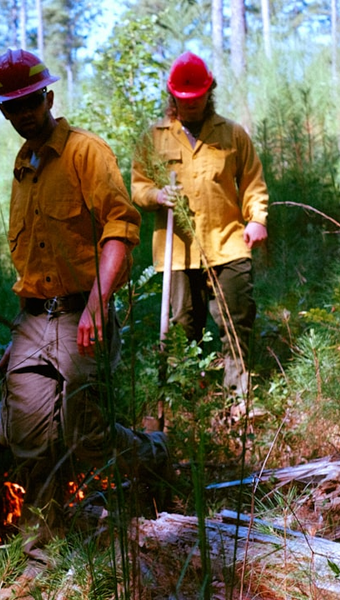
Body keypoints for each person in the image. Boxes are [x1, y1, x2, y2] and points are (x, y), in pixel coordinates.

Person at [0, 48, 170, 549]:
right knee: (28, 441)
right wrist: (24, 330)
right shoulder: (24, 164)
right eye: (11, 107)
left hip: (80, 313)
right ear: (3, 111)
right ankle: (44, 545)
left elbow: (120, 227)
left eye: (29, 102)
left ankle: (154, 455)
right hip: (32, 321)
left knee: (86, 433)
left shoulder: (87, 152)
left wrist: (96, 304)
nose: (22, 114)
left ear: (47, 97)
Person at [131, 51, 269, 400]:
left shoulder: (232, 134)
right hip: (177, 250)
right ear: (172, 96)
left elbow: (252, 181)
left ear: (210, 92)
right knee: (182, 330)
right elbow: (137, 186)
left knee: (236, 320)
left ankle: (240, 397)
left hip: (228, 243)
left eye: (197, 97)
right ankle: (182, 401)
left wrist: (256, 219)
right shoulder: (154, 138)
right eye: (183, 98)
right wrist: (156, 195)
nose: (190, 104)